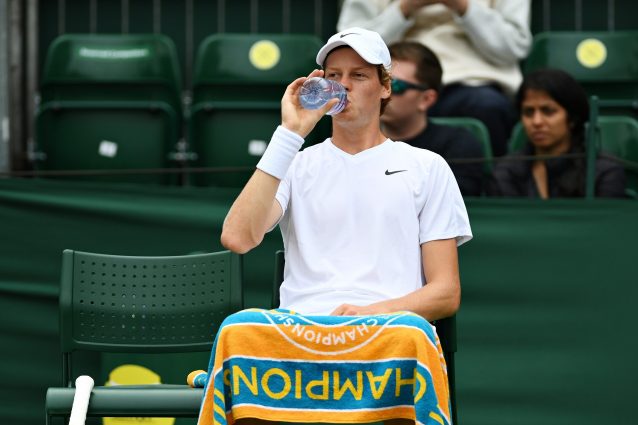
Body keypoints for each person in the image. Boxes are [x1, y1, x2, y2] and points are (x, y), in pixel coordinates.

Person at [221, 26, 472, 320]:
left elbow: (445, 292)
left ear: (385, 87)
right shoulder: (294, 163)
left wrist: (368, 313)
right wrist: (289, 133)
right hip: (301, 326)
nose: (343, 85)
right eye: (333, 76)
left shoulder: (428, 166)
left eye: (359, 75)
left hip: (387, 327)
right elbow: (237, 238)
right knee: (238, 325)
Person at [337, 0, 533, 157]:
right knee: (351, 104)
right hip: (396, 78)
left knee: (488, 107)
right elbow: (349, 46)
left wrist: (462, 6)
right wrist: (406, 7)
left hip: (475, 81)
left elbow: (515, 46)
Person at [486, 68, 626, 198]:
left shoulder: (604, 172)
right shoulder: (506, 173)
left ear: (572, 118)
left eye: (548, 111)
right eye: (528, 112)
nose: (536, 122)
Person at [382, 40, 484, 196]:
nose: (384, 93)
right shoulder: (352, 141)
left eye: (395, 86)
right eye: (381, 82)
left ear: (426, 99)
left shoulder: (458, 146)